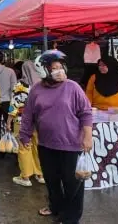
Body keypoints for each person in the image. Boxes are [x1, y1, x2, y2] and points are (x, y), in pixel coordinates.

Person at [20, 50, 93, 224]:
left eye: (61, 67)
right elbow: (28, 114)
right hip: (46, 145)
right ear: (44, 70)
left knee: (72, 184)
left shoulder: (72, 87)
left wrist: (87, 136)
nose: (59, 71)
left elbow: (86, 113)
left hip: (71, 145)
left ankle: (71, 217)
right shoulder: (37, 89)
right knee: (51, 181)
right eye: (54, 68)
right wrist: (25, 136)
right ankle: (56, 207)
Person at [6, 61, 44, 187]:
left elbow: (15, 104)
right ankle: (40, 174)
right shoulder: (42, 85)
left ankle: (25, 176)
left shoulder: (21, 85)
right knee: (37, 147)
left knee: (24, 147)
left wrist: (8, 121)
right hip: (39, 122)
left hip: (22, 121)